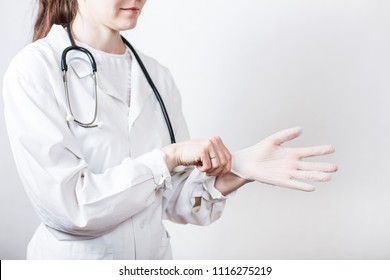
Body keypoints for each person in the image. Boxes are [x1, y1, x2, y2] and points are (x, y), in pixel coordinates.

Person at [2, 0, 337, 260]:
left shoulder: (157, 76)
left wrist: (239, 168)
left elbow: (174, 199)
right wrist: (168, 156)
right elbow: (70, 210)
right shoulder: (33, 70)